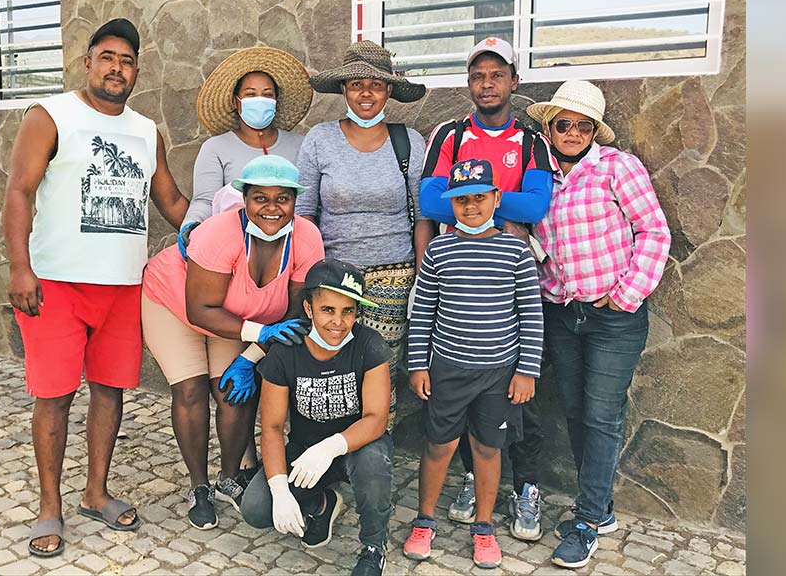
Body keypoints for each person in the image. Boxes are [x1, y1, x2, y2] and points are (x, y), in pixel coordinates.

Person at [3, 19, 190, 557]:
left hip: (122, 286)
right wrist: (20, 267)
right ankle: (48, 507)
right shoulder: (50, 116)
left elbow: (172, 202)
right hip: (56, 283)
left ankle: (95, 492)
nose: (116, 68)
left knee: (110, 390)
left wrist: (226, 224)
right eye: (107, 57)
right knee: (56, 394)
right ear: (88, 62)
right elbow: (19, 191)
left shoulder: (145, 130)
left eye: (127, 61)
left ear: (136, 71)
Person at [526, 81, 671, 569]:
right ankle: (601, 508)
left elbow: (653, 229)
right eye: (562, 123)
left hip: (614, 317)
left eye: (582, 125)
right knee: (572, 409)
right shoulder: (537, 175)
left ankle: (587, 522)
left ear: (594, 131)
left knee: (601, 416)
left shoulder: (616, 167)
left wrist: (625, 295)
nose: (571, 132)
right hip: (562, 313)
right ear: (549, 126)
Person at [419, 37, 557, 540]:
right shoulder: (449, 134)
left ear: (514, 82)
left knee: (518, 394)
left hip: (512, 275)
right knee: (459, 395)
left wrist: (476, 202)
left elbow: (536, 206)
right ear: (468, 83)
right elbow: (431, 200)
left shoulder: (533, 139)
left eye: (497, 74)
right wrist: (500, 202)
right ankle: (471, 482)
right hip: (457, 276)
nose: (487, 83)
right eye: (478, 75)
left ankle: (522, 489)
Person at [141, 154, 324, 530]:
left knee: (232, 391)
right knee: (191, 389)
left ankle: (229, 477)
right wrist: (259, 336)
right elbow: (200, 310)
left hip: (238, 317)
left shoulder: (307, 236)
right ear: (245, 199)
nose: (272, 208)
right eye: (260, 198)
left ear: (295, 200)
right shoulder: (217, 233)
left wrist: (251, 357)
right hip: (175, 303)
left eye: (283, 199)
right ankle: (199, 487)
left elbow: (295, 311)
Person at [403, 159, 544, 569]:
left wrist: (526, 370)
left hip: (498, 375)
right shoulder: (439, 251)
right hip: (447, 369)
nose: (470, 207)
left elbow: (530, 315)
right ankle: (424, 520)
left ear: (497, 199)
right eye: (461, 200)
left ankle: (484, 528)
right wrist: (418, 365)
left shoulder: (515, 250)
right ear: (452, 205)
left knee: (487, 447)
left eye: (479, 198)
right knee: (440, 445)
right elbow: (424, 310)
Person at [296, 40, 429, 430]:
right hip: (334, 276)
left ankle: (374, 455)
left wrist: (421, 274)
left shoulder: (408, 142)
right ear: (343, 90)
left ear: (389, 90)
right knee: (330, 368)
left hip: (395, 277)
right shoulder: (320, 139)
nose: (366, 92)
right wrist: (308, 276)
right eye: (355, 84)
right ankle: (325, 456)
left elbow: (422, 217)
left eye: (375, 83)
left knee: (380, 372)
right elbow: (304, 214)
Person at [241, 259, 394, 576]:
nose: (339, 322)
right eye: (328, 310)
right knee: (256, 508)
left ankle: (373, 547)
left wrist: (331, 447)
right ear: (309, 309)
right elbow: (270, 428)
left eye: (348, 311)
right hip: (303, 450)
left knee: (373, 461)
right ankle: (320, 505)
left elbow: (377, 418)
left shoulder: (368, 345)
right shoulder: (286, 352)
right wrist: (280, 490)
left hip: (354, 444)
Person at [179, 46, 313, 256]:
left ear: (276, 101)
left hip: (291, 250)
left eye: (267, 95)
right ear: (236, 102)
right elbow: (205, 201)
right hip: (235, 251)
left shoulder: (301, 145)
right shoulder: (215, 148)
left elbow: (308, 204)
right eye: (251, 95)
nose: (259, 99)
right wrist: (191, 225)